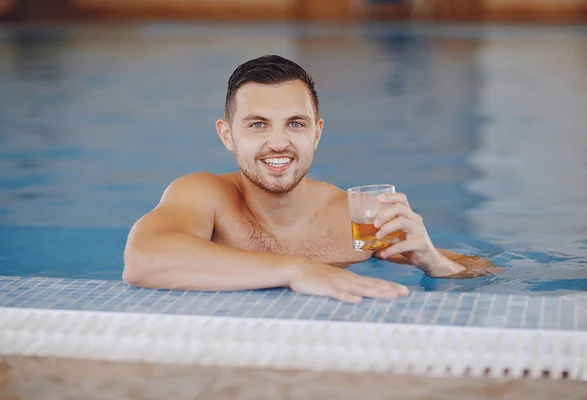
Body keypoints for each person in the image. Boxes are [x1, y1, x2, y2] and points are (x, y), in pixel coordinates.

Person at [123, 55, 502, 303]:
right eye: (257, 125)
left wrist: (434, 260)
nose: (277, 143)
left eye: (295, 124)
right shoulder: (205, 195)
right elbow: (142, 261)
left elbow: (484, 272)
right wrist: (296, 269)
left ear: (316, 133)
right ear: (227, 135)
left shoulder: (354, 218)